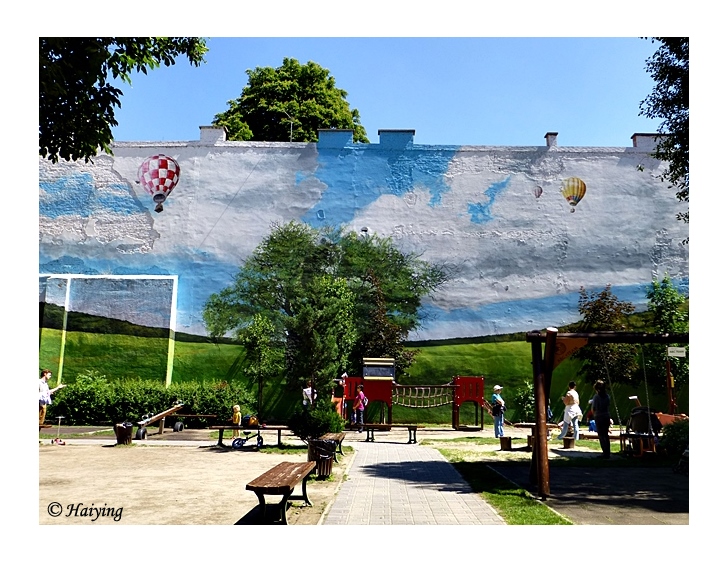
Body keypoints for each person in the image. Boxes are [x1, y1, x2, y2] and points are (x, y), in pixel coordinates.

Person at [591, 379, 612, 458]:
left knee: (601, 434)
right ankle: (608, 452)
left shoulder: (596, 397)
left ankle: (604, 453)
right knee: (606, 434)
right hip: (606, 415)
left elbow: (594, 408)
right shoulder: (607, 396)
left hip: (599, 416)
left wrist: (594, 414)